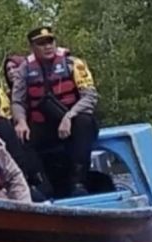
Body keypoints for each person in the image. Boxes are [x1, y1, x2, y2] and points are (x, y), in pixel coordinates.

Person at [11, 26, 99, 197]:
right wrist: (20, 121)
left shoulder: (73, 64)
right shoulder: (24, 70)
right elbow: (17, 101)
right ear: (32, 47)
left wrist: (69, 115)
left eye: (50, 41)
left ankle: (78, 182)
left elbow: (90, 96)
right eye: (41, 43)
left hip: (73, 120)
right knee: (19, 135)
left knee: (85, 122)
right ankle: (40, 184)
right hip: (44, 125)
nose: (47, 46)